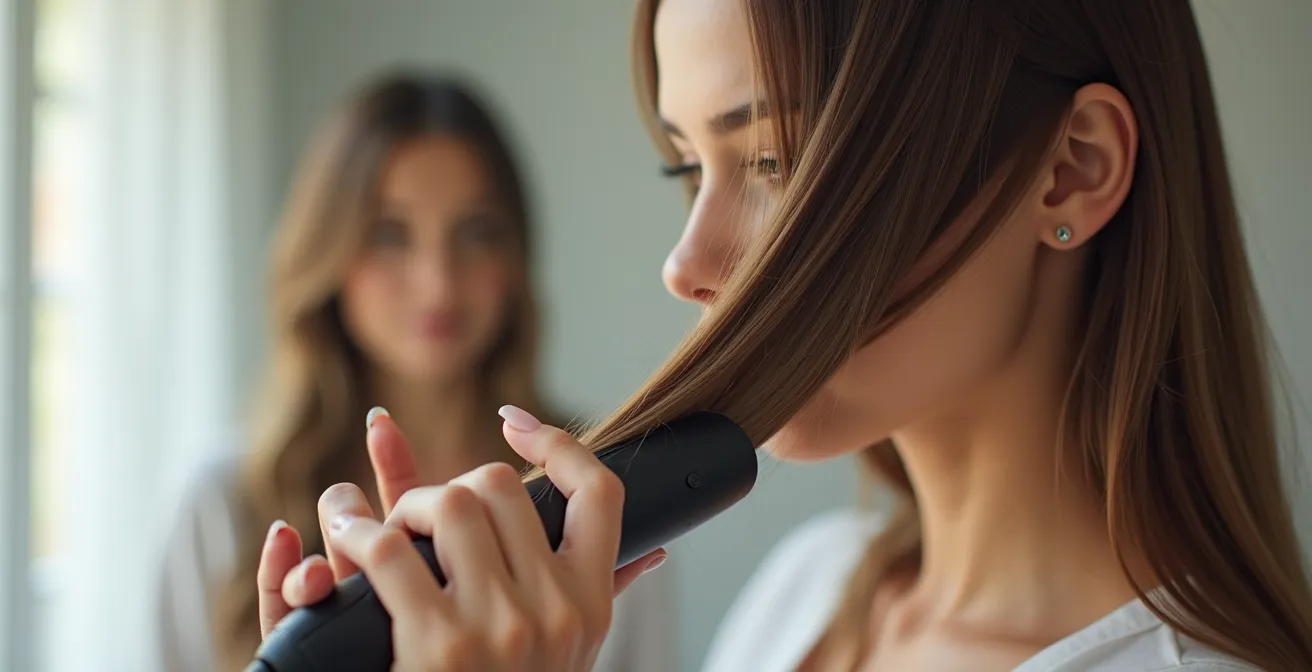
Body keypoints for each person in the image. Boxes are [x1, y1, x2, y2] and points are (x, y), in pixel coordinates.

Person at [257, 1, 1312, 671]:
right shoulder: (805, 594)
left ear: (1072, 167)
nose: (684, 264)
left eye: (775, 162)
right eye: (687, 167)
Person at [151, 72, 670, 672]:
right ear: (328, 255)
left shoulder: (593, 496)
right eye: (389, 234)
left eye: (475, 232)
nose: (437, 283)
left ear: (514, 256)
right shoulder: (220, 508)